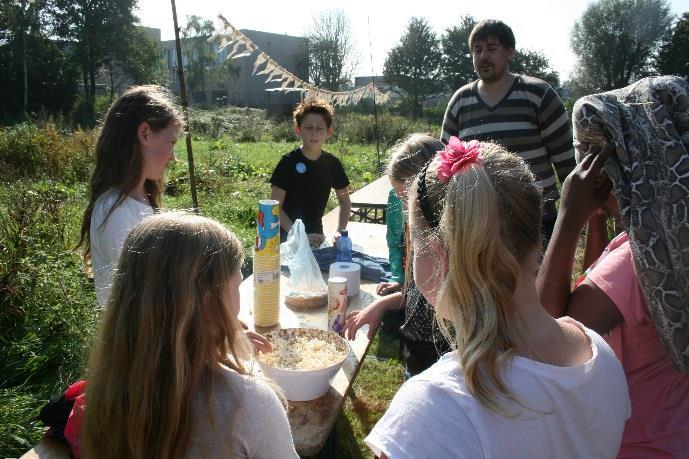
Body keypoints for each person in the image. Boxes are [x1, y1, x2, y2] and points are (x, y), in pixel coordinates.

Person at [365, 137, 630, 458]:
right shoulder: (603, 358)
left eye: (413, 242)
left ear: (439, 256)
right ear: (534, 237)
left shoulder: (433, 411)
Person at [538, 76, 689, 457]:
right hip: (671, 431)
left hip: (632, 443)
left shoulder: (633, 263)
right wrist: (596, 217)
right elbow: (597, 287)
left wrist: (569, 216)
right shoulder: (663, 241)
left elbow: (548, 332)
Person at [81, 212, 297, 458]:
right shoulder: (248, 405)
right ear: (209, 302)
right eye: (237, 285)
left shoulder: (108, 391)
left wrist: (219, 345)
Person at [440, 19, 575, 244]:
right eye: (477, 50)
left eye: (491, 49)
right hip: (479, 221)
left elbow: (566, 164)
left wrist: (573, 215)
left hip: (536, 219)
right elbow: (443, 164)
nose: (483, 56)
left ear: (510, 52)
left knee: (537, 280)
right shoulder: (460, 102)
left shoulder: (539, 95)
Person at [343, 134, 450, 378]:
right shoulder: (419, 227)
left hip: (443, 359)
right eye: (399, 198)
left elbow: (438, 299)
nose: (404, 208)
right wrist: (383, 303)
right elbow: (417, 294)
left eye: (407, 198)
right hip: (415, 351)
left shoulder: (447, 244)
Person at [77, 85, 182, 307]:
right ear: (145, 133)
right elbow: (146, 302)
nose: (174, 158)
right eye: (171, 143)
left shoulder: (141, 197)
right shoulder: (116, 213)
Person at [270, 97, 351, 247]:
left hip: (316, 237)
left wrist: (340, 230)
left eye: (319, 128)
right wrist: (297, 234)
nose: (314, 133)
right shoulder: (287, 162)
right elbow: (274, 207)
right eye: (308, 127)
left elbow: (345, 201)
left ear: (329, 132)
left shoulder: (332, 164)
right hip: (286, 238)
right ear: (298, 130)